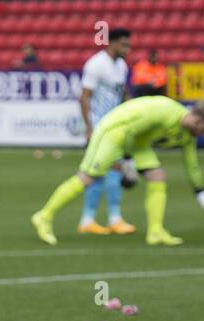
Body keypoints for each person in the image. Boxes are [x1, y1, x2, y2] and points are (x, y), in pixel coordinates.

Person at [31, 98, 204, 247]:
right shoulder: (165, 110)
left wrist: (203, 197)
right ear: (198, 120)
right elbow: (130, 131)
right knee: (89, 177)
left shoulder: (187, 135)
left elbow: (191, 165)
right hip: (115, 130)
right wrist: (128, 165)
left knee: (157, 176)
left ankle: (155, 232)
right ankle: (43, 217)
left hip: (138, 141)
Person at [77, 28, 133, 236]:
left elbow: (123, 92)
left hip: (115, 126)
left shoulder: (121, 65)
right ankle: (100, 218)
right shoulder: (96, 64)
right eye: (124, 45)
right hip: (100, 126)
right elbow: (84, 97)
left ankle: (104, 218)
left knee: (111, 170)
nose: (128, 49)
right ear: (113, 43)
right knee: (102, 171)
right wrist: (89, 129)